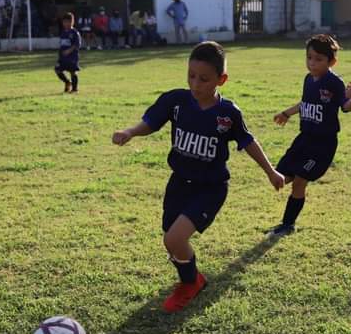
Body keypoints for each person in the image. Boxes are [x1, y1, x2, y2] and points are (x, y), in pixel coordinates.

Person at [111, 42, 285, 313]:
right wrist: (131, 132)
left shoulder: (228, 114)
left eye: (204, 79)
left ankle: (190, 284)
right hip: (179, 183)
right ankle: (193, 278)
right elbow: (152, 121)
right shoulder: (176, 101)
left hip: (210, 188)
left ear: (221, 80)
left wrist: (271, 171)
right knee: (171, 238)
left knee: (174, 240)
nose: (195, 83)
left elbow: (248, 141)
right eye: (191, 75)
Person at [267, 34, 351, 236]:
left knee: (300, 180)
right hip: (304, 139)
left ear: (331, 62)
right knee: (282, 176)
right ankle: (287, 220)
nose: (312, 63)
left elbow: (345, 106)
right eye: (309, 57)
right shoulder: (308, 80)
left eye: (318, 59)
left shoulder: (334, 82)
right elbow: (305, 103)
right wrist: (287, 113)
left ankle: (287, 224)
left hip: (322, 144)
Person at [55, 13, 81, 94]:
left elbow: (77, 44)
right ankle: (67, 82)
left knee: (73, 72)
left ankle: (74, 89)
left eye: (67, 22)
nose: (66, 24)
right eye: (64, 22)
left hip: (72, 57)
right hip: (63, 57)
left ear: (72, 22)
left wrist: (69, 51)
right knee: (57, 70)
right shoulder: (63, 32)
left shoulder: (74, 33)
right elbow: (62, 44)